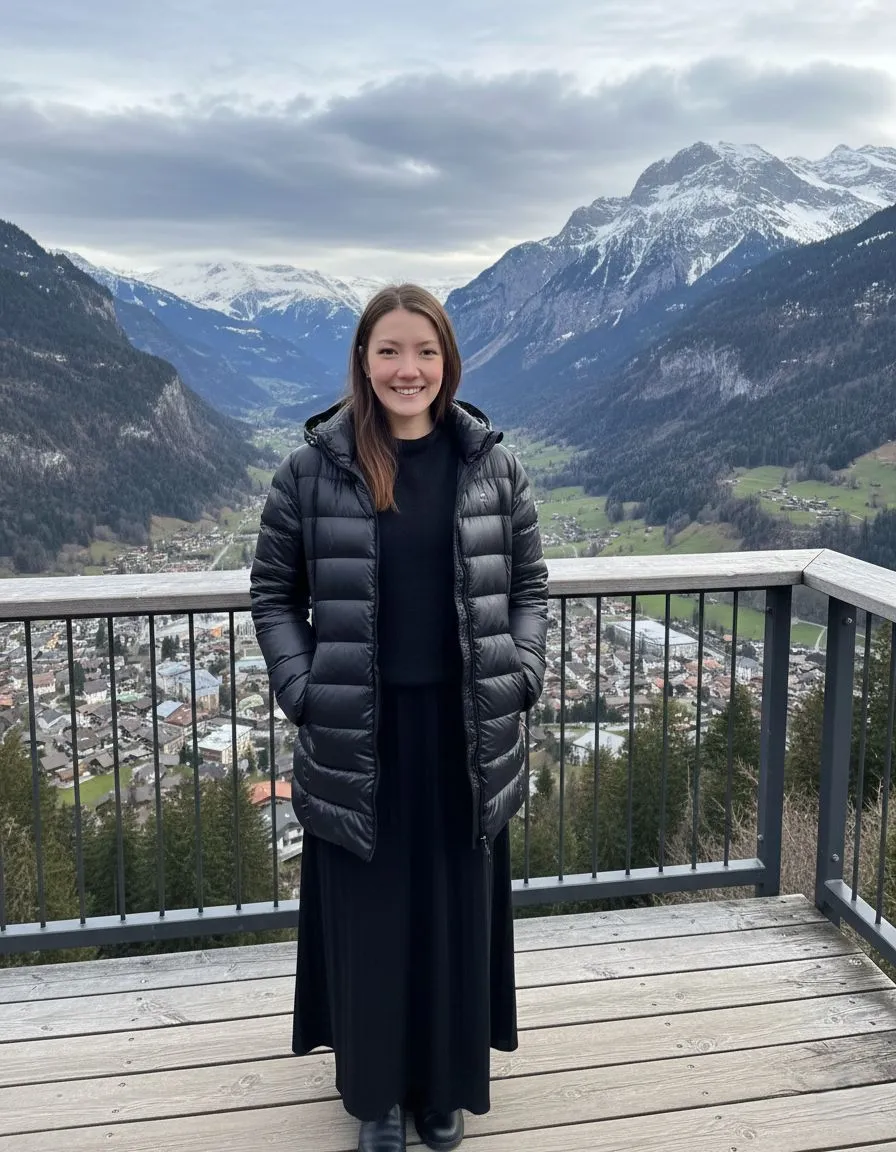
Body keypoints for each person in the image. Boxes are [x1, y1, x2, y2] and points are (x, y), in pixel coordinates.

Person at [249, 283, 548, 1152]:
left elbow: (529, 586)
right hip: (358, 732)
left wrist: (522, 671)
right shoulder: (312, 470)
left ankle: (445, 1088)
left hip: (466, 731)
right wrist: (302, 689)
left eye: (424, 351)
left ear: (448, 360)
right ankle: (376, 1096)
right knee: (374, 919)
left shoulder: (491, 463)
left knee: (453, 910)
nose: (407, 368)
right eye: (390, 351)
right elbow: (273, 593)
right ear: (363, 360)